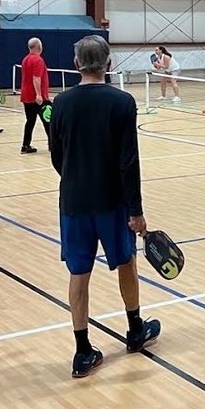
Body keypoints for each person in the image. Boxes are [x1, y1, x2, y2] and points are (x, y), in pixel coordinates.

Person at [49, 35, 160, 378]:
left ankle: (82, 351)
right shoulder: (122, 102)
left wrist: (74, 178)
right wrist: (136, 210)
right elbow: (129, 162)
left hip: (74, 202)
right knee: (126, 263)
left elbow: (57, 155)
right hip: (112, 203)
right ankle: (135, 329)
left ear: (76, 64)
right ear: (109, 65)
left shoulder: (61, 103)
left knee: (78, 274)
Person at [20, 37, 51, 154]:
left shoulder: (25, 59)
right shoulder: (38, 60)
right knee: (49, 120)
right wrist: (39, 95)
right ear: (39, 47)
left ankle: (25, 145)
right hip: (38, 97)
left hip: (26, 96)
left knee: (30, 121)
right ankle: (52, 145)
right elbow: (36, 78)